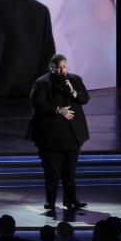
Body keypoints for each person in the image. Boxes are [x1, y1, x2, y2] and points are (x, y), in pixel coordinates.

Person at [26, 54, 89, 211]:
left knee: (70, 173)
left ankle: (70, 200)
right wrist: (58, 110)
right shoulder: (41, 83)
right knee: (52, 174)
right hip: (51, 137)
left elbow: (85, 98)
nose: (62, 70)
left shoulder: (74, 80)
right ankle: (51, 202)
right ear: (51, 67)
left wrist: (73, 92)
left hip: (72, 135)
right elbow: (37, 104)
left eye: (64, 66)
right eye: (59, 67)